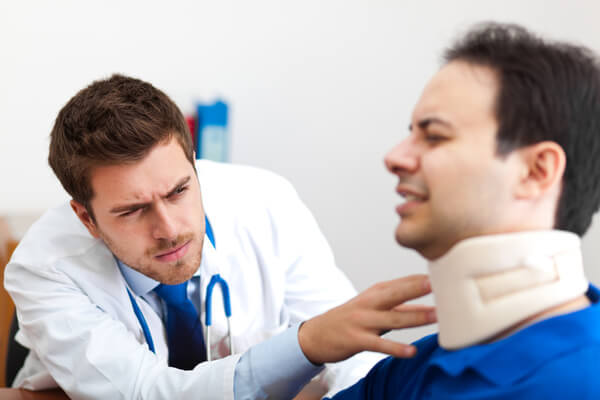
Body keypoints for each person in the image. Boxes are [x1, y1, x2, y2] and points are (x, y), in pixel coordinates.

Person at [4, 75, 436, 399]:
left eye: (179, 191)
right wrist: (304, 345)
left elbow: (353, 354)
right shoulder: (42, 267)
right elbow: (144, 392)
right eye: (133, 210)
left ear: (195, 166)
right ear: (87, 217)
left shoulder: (266, 201)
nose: (169, 229)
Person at [327, 23, 600, 399]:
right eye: (411, 134)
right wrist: (302, 347)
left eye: (434, 136)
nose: (395, 157)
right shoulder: (412, 369)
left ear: (537, 171)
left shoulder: (580, 382)